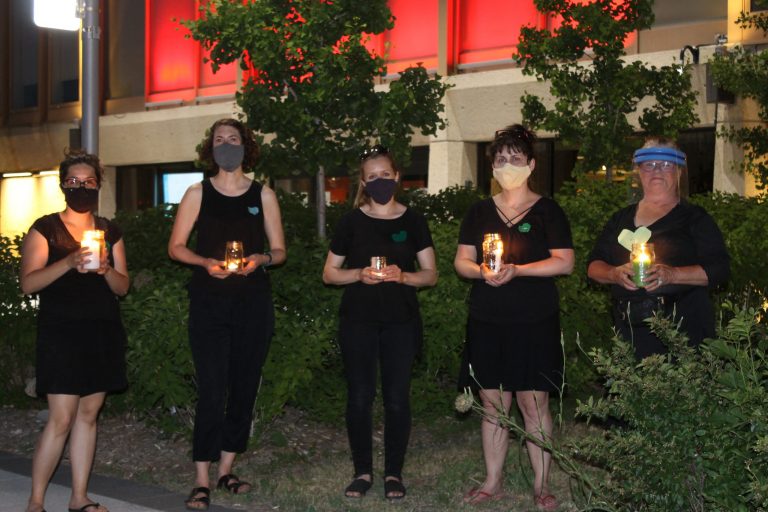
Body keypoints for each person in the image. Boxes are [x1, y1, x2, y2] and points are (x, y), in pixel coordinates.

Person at [454, 125, 574, 511]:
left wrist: (519, 270)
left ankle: (542, 485)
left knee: (533, 403)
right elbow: (461, 262)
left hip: (534, 318)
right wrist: (482, 272)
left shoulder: (548, 210)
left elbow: (565, 262)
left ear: (531, 164)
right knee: (493, 404)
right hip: (487, 318)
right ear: (492, 166)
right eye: (501, 159)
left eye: (516, 159)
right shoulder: (478, 212)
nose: (508, 165)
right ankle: (493, 481)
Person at [168, 118, 286, 510]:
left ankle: (227, 469)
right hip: (209, 302)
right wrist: (204, 263)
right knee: (212, 389)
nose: (226, 145)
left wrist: (261, 258)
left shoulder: (263, 194)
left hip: (253, 302)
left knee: (244, 387)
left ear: (246, 146)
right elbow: (176, 247)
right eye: (219, 140)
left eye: (233, 139)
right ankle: (202, 477)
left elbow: (280, 250)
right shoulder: (197, 192)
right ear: (210, 149)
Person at [322, 144, 437, 501]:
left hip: (401, 321)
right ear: (362, 182)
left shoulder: (413, 220)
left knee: (397, 398)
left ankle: (393, 474)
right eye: (372, 177)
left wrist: (404, 278)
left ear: (397, 177)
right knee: (359, 397)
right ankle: (362, 471)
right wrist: (358, 274)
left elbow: (431, 275)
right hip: (358, 320)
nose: (380, 181)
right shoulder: (351, 222)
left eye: (385, 175)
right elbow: (329, 273)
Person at [20, 149, 130, 512]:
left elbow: (123, 287)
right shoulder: (45, 228)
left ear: (98, 185)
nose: (80, 187)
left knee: (88, 415)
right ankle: (36, 500)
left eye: (88, 182)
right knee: (62, 417)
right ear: (63, 185)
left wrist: (105, 271)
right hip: (62, 332)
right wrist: (67, 262)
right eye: (73, 182)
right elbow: (29, 284)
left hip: (101, 330)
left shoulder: (108, 230)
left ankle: (79, 497)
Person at [587, 138, 730, 359]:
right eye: (649, 164)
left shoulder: (694, 218)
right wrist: (613, 274)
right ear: (639, 171)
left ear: (679, 172)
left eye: (665, 164)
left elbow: (719, 269)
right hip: (630, 334)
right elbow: (594, 265)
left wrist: (673, 274)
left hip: (681, 333)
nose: (657, 171)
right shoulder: (620, 219)